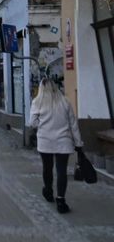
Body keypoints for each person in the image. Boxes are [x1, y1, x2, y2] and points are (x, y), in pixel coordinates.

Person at [30, 78, 83, 214]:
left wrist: (42, 126)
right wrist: (78, 142)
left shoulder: (38, 102)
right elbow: (73, 124)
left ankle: (48, 190)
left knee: (47, 168)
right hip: (63, 141)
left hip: (45, 141)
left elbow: (33, 123)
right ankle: (61, 200)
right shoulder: (65, 102)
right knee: (61, 171)